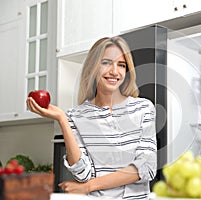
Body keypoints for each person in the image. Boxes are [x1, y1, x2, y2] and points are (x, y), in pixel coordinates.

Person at [27, 36, 157, 199]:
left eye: (121, 65)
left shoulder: (143, 108)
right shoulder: (75, 116)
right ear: (92, 68)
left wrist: (89, 187)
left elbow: (146, 167)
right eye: (106, 62)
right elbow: (83, 174)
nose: (114, 71)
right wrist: (62, 119)